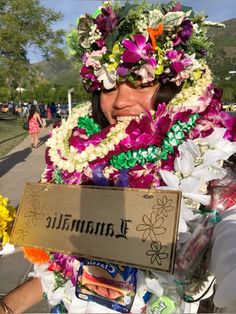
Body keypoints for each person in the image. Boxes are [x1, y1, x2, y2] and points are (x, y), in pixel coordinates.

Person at [1, 1, 236, 313]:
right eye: (108, 85)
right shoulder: (74, 156)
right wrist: (9, 304)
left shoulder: (210, 156)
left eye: (142, 80)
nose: (122, 100)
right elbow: (62, 269)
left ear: (174, 83)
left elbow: (229, 228)